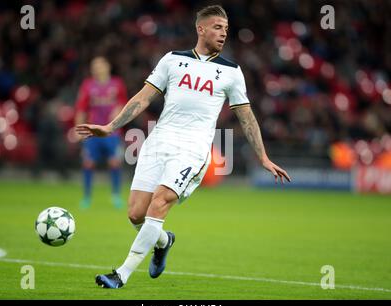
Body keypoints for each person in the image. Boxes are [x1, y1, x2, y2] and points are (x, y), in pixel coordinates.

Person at [76, 5, 291, 289]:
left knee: (161, 200)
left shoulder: (231, 72)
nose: (223, 33)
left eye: (226, 29)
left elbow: (246, 115)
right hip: (158, 142)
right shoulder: (172, 60)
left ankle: (121, 274)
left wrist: (262, 156)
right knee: (135, 214)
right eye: (217, 27)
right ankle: (164, 241)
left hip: (192, 149)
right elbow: (143, 98)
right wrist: (110, 127)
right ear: (200, 28)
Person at [75, 56, 127, 209]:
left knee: (114, 162)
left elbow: (124, 104)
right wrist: (78, 128)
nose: (97, 69)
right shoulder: (87, 85)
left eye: (99, 65)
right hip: (93, 131)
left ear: (107, 67)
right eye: (94, 66)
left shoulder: (117, 84)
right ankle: (87, 197)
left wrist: (118, 113)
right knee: (88, 163)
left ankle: (116, 196)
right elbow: (81, 108)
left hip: (112, 132)